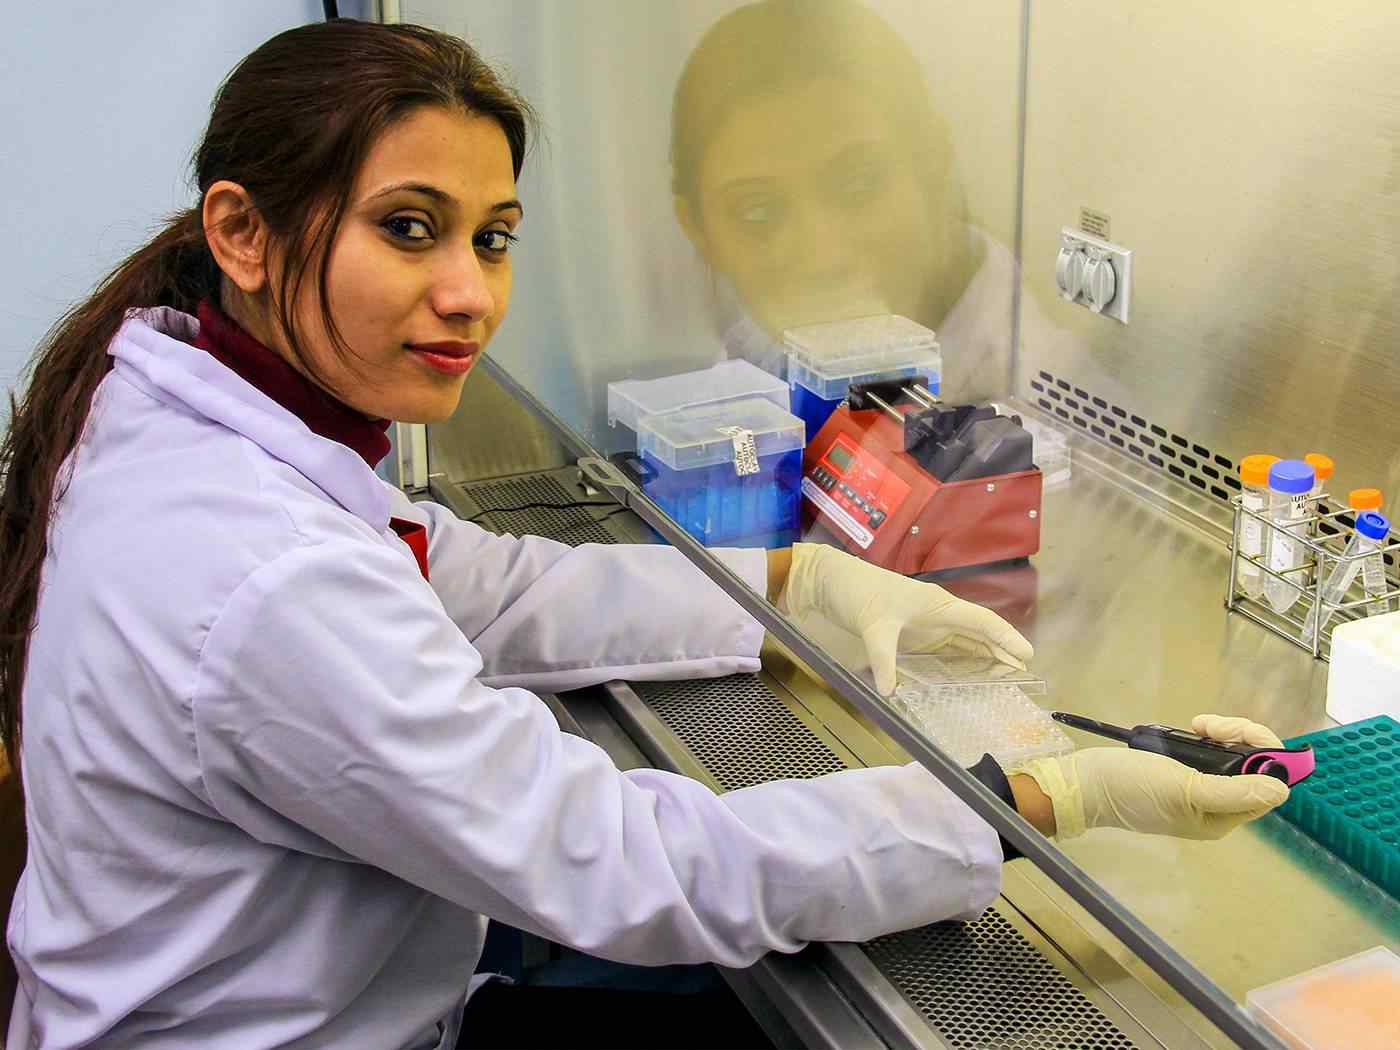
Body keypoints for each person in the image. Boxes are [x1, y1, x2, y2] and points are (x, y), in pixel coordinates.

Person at [0, 20, 1290, 1050]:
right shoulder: (260, 578)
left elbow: (480, 584)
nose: (469, 294)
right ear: (240, 232)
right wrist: (1037, 797)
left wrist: (798, 580)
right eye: (410, 229)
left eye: (493, 239)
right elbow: (629, 862)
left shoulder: (186, 399)